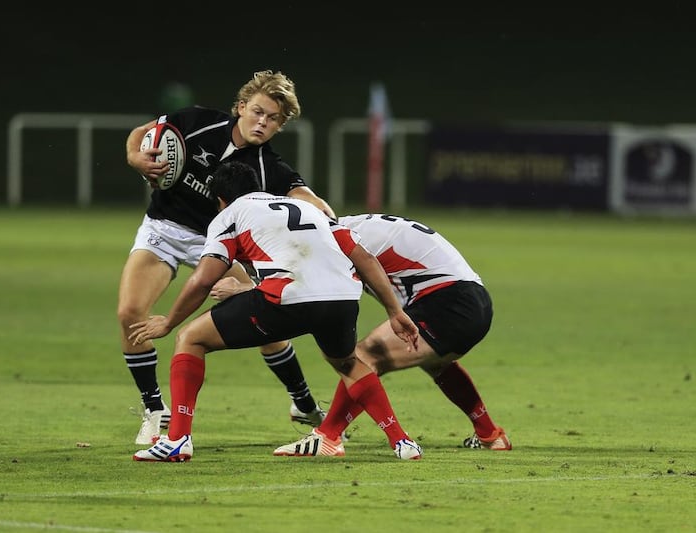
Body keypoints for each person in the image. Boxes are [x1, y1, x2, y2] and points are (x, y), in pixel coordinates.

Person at [128, 161, 423, 462]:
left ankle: (177, 440)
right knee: (347, 363)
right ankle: (402, 442)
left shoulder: (229, 215)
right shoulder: (306, 208)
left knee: (190, 337)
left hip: (289, 298)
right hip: (343, 297)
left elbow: (203, 278)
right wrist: (394, 311)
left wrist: (168, 322)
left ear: (219, 199)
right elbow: (364, 256)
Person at [119, 70, 333, 446]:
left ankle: (301, 401)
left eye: (273, 119)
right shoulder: (198, 122)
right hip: (163, 230)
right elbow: (142, 133)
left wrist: (330, 219)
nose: (263, 122)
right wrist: (136, 158)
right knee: (129, 314)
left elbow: (304, 195)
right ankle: (155, 409)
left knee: (267, 319)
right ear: (240, 108)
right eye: (258, 112)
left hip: (218, 245)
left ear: (279, 126)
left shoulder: (268, 166)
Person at [251, 213, 507, 455]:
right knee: (434, 362)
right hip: (473, 301)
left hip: (448, 303)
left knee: (363, 356)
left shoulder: (332, 239)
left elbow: (321, 298)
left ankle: (328, 436)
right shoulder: (354, 227)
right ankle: (490, 434)